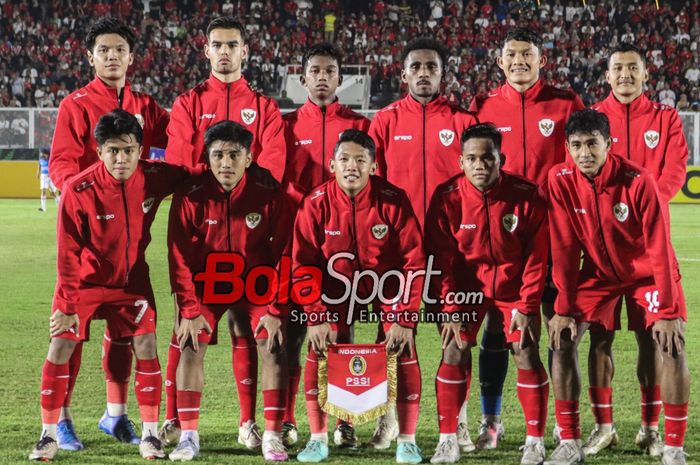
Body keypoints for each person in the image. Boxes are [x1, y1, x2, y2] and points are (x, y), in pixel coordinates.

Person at [29, 109, 188, 461]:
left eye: (129, 150)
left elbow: (193, 176)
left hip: (131, 283)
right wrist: (68, 306)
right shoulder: (78, 189)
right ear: (99, 151)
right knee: (60, 347)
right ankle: (48, 435)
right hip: (83, 284)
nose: (121, 158)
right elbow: (67, 254)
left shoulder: (155, 177)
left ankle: (150, 436)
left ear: (140, 150)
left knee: (146, 344)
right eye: (113, 150)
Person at [161, 16, 286, 449]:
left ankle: (252, 424)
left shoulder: (265, 106)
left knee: (250, 333)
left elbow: (272, 168)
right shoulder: (188, 102)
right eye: (218, 44)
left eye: (233, 44)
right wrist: (218, 180)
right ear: (206, 49)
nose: (225, 51)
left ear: (245, 50)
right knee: (187, 327)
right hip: (206, 235)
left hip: (251, 239)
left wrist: (238, 182)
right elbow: (181, 164)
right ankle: (176, 421)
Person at [48, 17, 170, 451]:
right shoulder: (76, 105)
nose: (112, 56)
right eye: (104, 50)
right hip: (87, 240)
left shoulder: (147, 106)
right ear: (90, 57)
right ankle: (61, 420)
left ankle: (114, 416)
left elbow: (178, 142)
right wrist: (87, 196)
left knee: (125, 332)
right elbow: (62, 164)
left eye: (120, 49)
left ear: (131, 57)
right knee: (71, 334)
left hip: (130, 243)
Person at [546, 109, 689, 465]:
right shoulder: (559, 179)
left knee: (670, 345)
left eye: (593, 144)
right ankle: (571, 440)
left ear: (608, 144)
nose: (585, 153)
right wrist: (563, 308)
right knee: (562, 339)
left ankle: (672, 447)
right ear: (567, 147)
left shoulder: (638, 180)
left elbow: (659, 247)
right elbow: (564, 248)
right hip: (597, 275)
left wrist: (669, 313)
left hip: (647, 275)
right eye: (577, 145)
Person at [468, 27, 584, 449]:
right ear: (500, 62)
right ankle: (491, 421)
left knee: (556, 334)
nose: (519, 61)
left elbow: (580, 164)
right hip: (497, 242)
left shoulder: (566, 103)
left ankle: (559, 425)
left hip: (552, 240)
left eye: (527, 54)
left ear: (541, 60)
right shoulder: (482, 106)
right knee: (496, 334)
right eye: (511, 55)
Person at [368, 37, 478, 451]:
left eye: (431, 66)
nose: (424, 73)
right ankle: (389, 419)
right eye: (416, 67)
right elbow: (371, 184)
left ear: (442, 73)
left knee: (456, 335)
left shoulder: (464, 121)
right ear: (404, 74)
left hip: (454, 248)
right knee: (392, 334)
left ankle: (459, 421)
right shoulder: (384, 121)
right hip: (399, 250)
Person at [583, 43, 690, 457]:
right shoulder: (594, 118)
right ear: (607, 76)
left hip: (649, 249)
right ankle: (604, 426)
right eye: (618, 69)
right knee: (599, 339)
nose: (625, 74)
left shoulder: (664, 118)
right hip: (602, 251)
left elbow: (675, 169)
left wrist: (641, 209)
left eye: (633, 68)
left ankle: (650, 428)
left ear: (646, 75)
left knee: (654, 339)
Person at [293, 129, 424, 464]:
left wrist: (404, 316)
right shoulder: (315, 204)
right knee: (320, 344)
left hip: (387, 283)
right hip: (335, 287)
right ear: (332, 165)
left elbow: (414, 261)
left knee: (402, 344)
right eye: (344, 159)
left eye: (360, 160)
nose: (352, 166)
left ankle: (406, 440)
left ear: (374, 166)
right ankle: (318, 438)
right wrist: (316, 315)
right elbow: (303, 264)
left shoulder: (394, 200)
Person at [167, 121, 292, 462]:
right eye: (218, 155)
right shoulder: (192, 194)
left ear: (249, 158)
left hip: (256, 283)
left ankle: (271, 434)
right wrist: (190, 310)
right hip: (207, 284)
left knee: (271, 341)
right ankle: (189, 436)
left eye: (234, 155)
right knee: (191, 342)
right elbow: (178, 256)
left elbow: (285, 251)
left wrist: (276, 307)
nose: (226, 163)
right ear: (207, 158)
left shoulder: (269, 191)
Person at [425, 124, 549, 465]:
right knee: (454, 348)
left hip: (512, 287)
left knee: (525, 350)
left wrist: (527, 306)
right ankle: (448, 439)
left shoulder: (527, 194)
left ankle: (535, 441)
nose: (479, 164)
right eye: (471, 158)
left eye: (487, 157)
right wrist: (449, 307)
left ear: (501, 159)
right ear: (461, 161)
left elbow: (538, 257)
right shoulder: (446, 196)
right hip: (465, 289)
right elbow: (440, 258)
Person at [281, 42, 370, 448]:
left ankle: (345, 419)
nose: (321, 77)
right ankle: (285, 420)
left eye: (329, 71)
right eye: (314, 71)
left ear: (340, 78)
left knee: (342, 334)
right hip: (294, 244)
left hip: (342, 248)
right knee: (292, 335)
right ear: (302, 80)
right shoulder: (283, 126)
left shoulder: (358, 126)